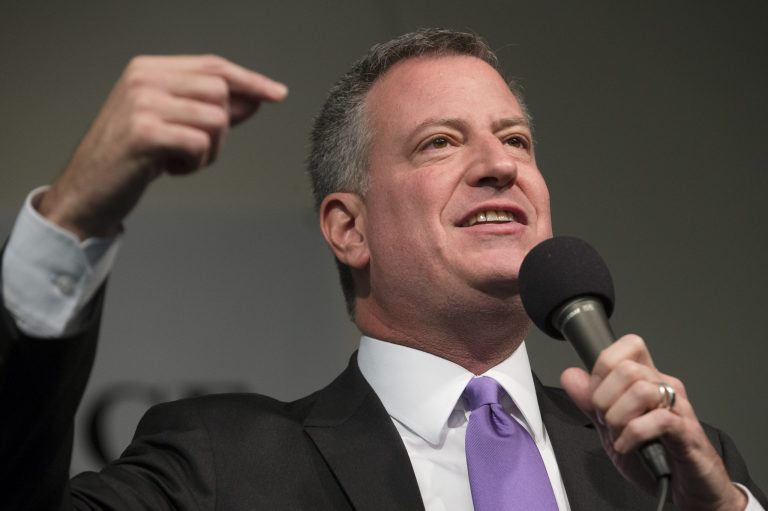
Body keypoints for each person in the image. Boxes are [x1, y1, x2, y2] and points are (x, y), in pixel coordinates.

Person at [0, 28, 765, 511]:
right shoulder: (222, 467)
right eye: (440, 141)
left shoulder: (676, 466)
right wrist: (72, 219)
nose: (500, 164)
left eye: (517, 140)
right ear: (348, 228)